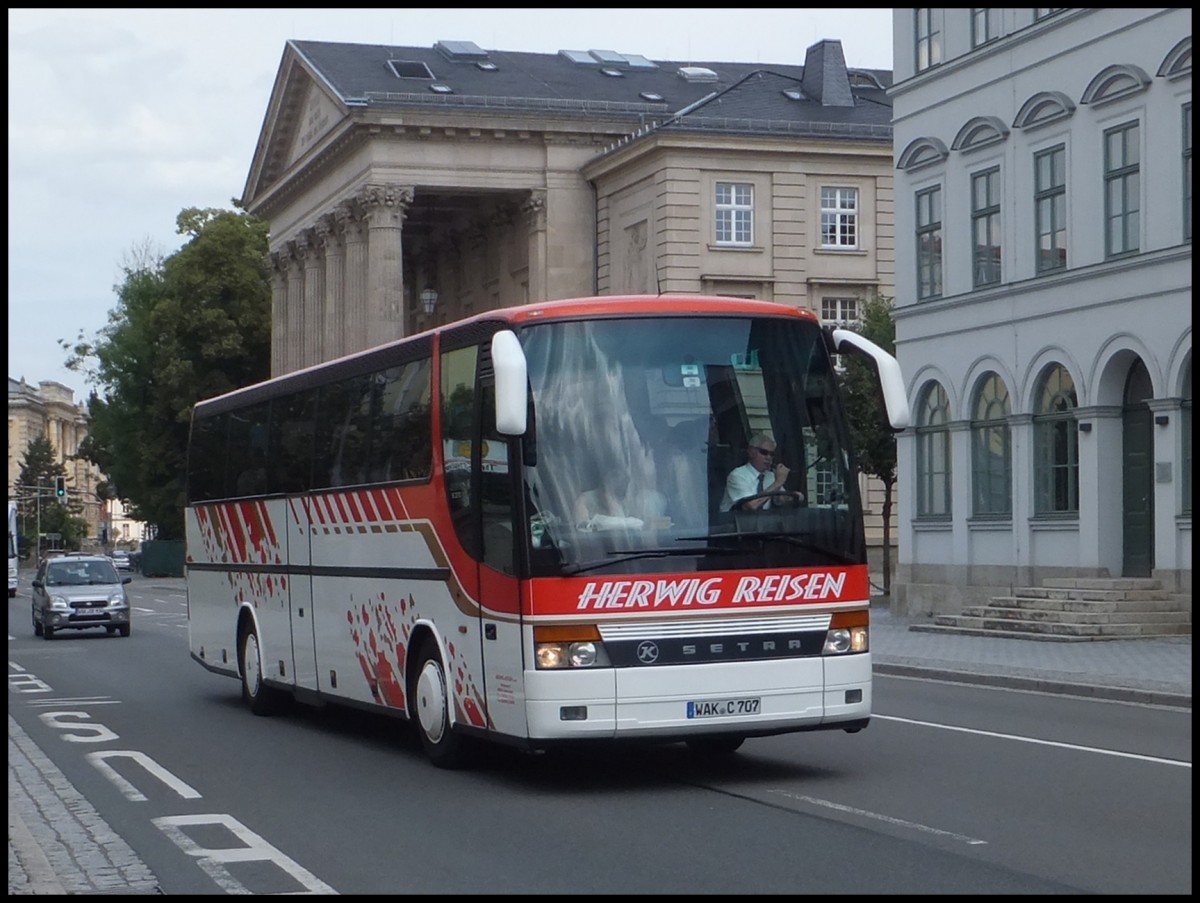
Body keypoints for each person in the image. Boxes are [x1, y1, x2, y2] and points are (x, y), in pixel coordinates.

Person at [719, 432, 803, 512]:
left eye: (772, 454)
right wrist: (778, 482)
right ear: (751, 452)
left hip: (762, 521)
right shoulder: (737, 476)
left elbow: (779, 499)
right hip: (732, 521)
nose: (768, 457)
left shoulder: (771, 476)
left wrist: (793, 497)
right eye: (764, 452)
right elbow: (751, 506)